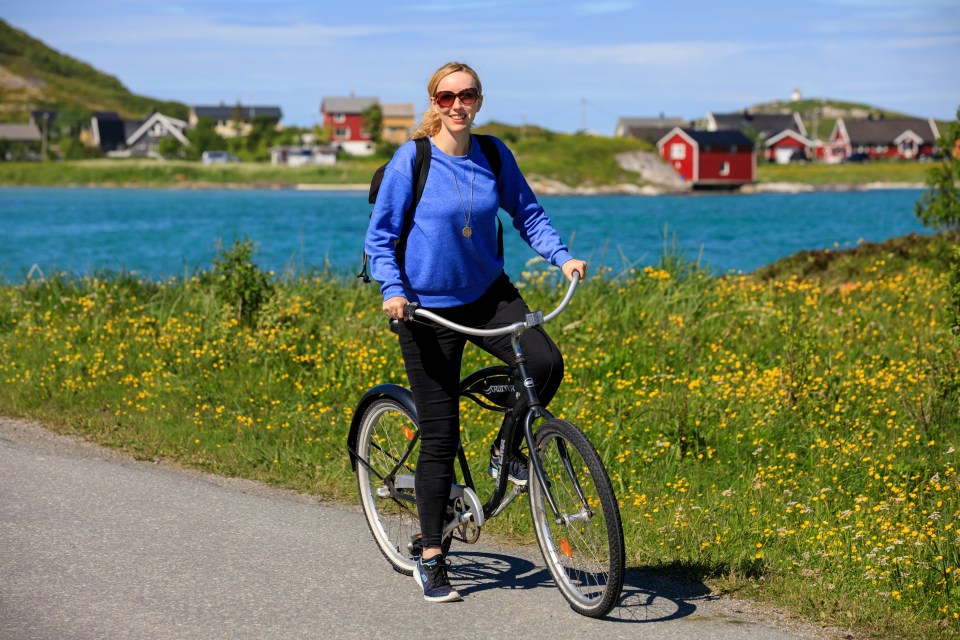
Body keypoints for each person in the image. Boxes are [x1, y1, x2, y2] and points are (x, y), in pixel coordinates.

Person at [364, 61, 587, 603]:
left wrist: (561, 257)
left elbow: (527, 213)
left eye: (467, 96)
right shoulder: (410, 161)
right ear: (434, 103)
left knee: (544, 364)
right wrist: (393, 292)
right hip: (424, 310)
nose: (457, 105)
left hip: (488, 295)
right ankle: (432, 554)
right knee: (441, 434)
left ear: (479, 101)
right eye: (446, 97)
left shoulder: (492, 154)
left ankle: (507, 452)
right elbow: (380, 238)